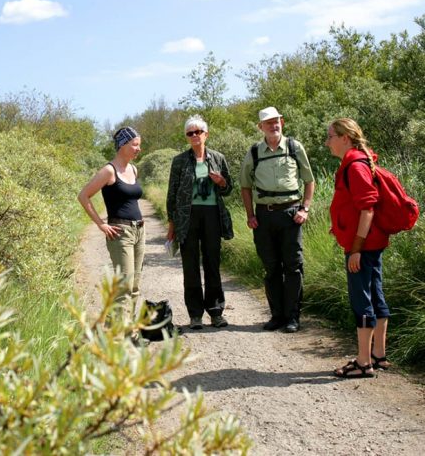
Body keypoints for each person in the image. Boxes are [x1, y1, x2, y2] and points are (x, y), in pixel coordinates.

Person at [240, 106, 315, 333]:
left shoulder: (294, 147)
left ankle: (293, 317)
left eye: (276, 121)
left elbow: (309, 181)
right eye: (268, 122)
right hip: (264, 216)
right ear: (260, 127)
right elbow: (245, 185)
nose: (273, 125)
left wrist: (305, 209)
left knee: (293, 267)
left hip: (291, 214)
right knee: (271, 267)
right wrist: (250, 215)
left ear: (282, 122)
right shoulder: (254, 152)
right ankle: (277, 316)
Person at [327, 118, 391, 379]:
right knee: (375, 295)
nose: (327, 142)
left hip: (363, 246)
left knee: (361, 299)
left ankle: (364, 363)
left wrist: (355, 248)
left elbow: (368, 208)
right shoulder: (359, 160)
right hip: (370, 243)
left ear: (345, 138)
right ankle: (379, 355)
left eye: (330, 136)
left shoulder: (354, 165)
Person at [166, 116, 233, 329]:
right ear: (187, 137)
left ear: (206, 134)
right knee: (190, 265)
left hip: (212, 213)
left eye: (198, 132)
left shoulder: (218, 158)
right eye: (190, 133)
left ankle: (216, 312)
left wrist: (221, 181)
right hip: (187, 217)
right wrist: (171, 224)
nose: (195, 136)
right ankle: (195, 315)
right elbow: (172, 194)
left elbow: (229, 188)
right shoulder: (179, 161)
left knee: (212, 263)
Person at [78, 126, 144, 323]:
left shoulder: (133, 169)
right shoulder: (108, 171)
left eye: (139, 145)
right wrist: (101, 224)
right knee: (124, 285)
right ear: (123, 145)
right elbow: (83, 196)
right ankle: (120, 333)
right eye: (135, 145)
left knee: (134, 285)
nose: (138, 149)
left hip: (139, 231)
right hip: (120, 232)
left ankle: (126, 328)